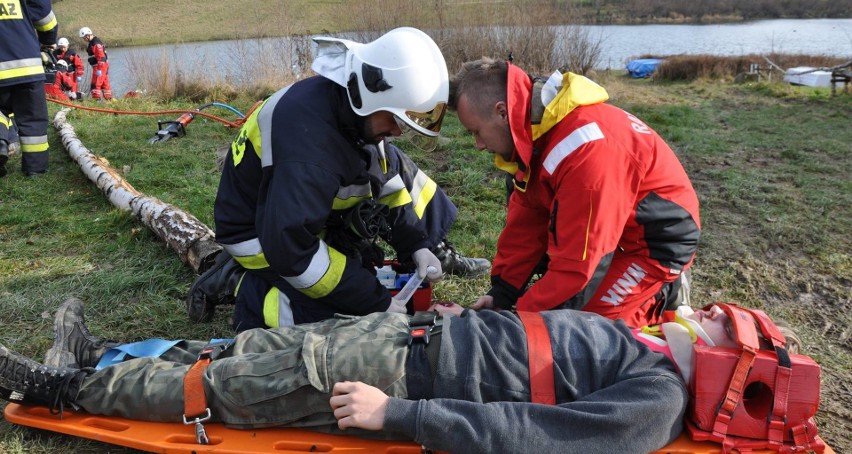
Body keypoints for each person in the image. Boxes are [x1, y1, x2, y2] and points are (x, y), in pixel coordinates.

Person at [0, 297, 690, 454]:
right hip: (408, 334)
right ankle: (97, 354)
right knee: (241, 345)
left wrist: (398, 416)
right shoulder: (658, 346)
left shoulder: (658, 402)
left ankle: (56, 389)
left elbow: (527, 432)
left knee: (226, 388)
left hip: (401, 375)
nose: (715, 326)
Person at [188, 27, 490, 329]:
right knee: (338, 321)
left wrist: (417, 244)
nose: (398, 131)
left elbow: (387, 181)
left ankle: (435, 250)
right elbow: (295, 252)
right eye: (395, 119)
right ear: (372, 97)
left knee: (401, 166)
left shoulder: (353, 111)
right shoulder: (308, 150)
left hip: (293, 211)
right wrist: (376, 302)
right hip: (258, 234)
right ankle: (239, 283)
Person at [449, 58, 701, 327]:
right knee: (562, 312)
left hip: (656, 242)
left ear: (501, 112)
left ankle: (662, 295)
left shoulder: (585, 152)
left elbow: (578, 268)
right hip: (615, 226)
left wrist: (518, 323)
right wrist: (502, 293)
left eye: (475, 132)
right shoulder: (536, 131)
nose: (477, 145)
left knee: (593, 329)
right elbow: (527, 218)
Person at [0, 0, 57, 177]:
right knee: (32, 119)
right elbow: (44, 12)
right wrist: (47, 40)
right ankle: (36, 171)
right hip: (26, 66)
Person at [78, 26, 111, 100]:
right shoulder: (92, 42)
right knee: (104, 83)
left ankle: (96, 101)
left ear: (88, 35)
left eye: (84, 38)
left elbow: (100, 57)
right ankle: (109, 100)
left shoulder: (95, 43)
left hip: (99, 66)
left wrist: (99, 69)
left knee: (95, 84)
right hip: (101, 66)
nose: (84, 39)